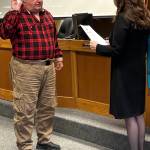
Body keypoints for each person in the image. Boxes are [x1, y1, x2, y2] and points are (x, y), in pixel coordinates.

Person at [0, 0, 63, 150]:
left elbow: (54, 40)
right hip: (26, 69)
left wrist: (58, 56)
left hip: (48, 67)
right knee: (25, 110)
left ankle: (44, 141)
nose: (38, 0)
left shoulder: (47, 15)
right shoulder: (17, 16)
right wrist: (13, 12)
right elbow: (4, 33)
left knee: (47, 107)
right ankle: (25, 145)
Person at [90, 0, 150, 150]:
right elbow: (130, 43)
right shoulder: (144, 17)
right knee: (138, 115)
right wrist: (111, 41)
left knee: (130, 117)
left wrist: (97, 47)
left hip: (125, 74)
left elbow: (116, 50)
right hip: (138, 71)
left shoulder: (124, 17)